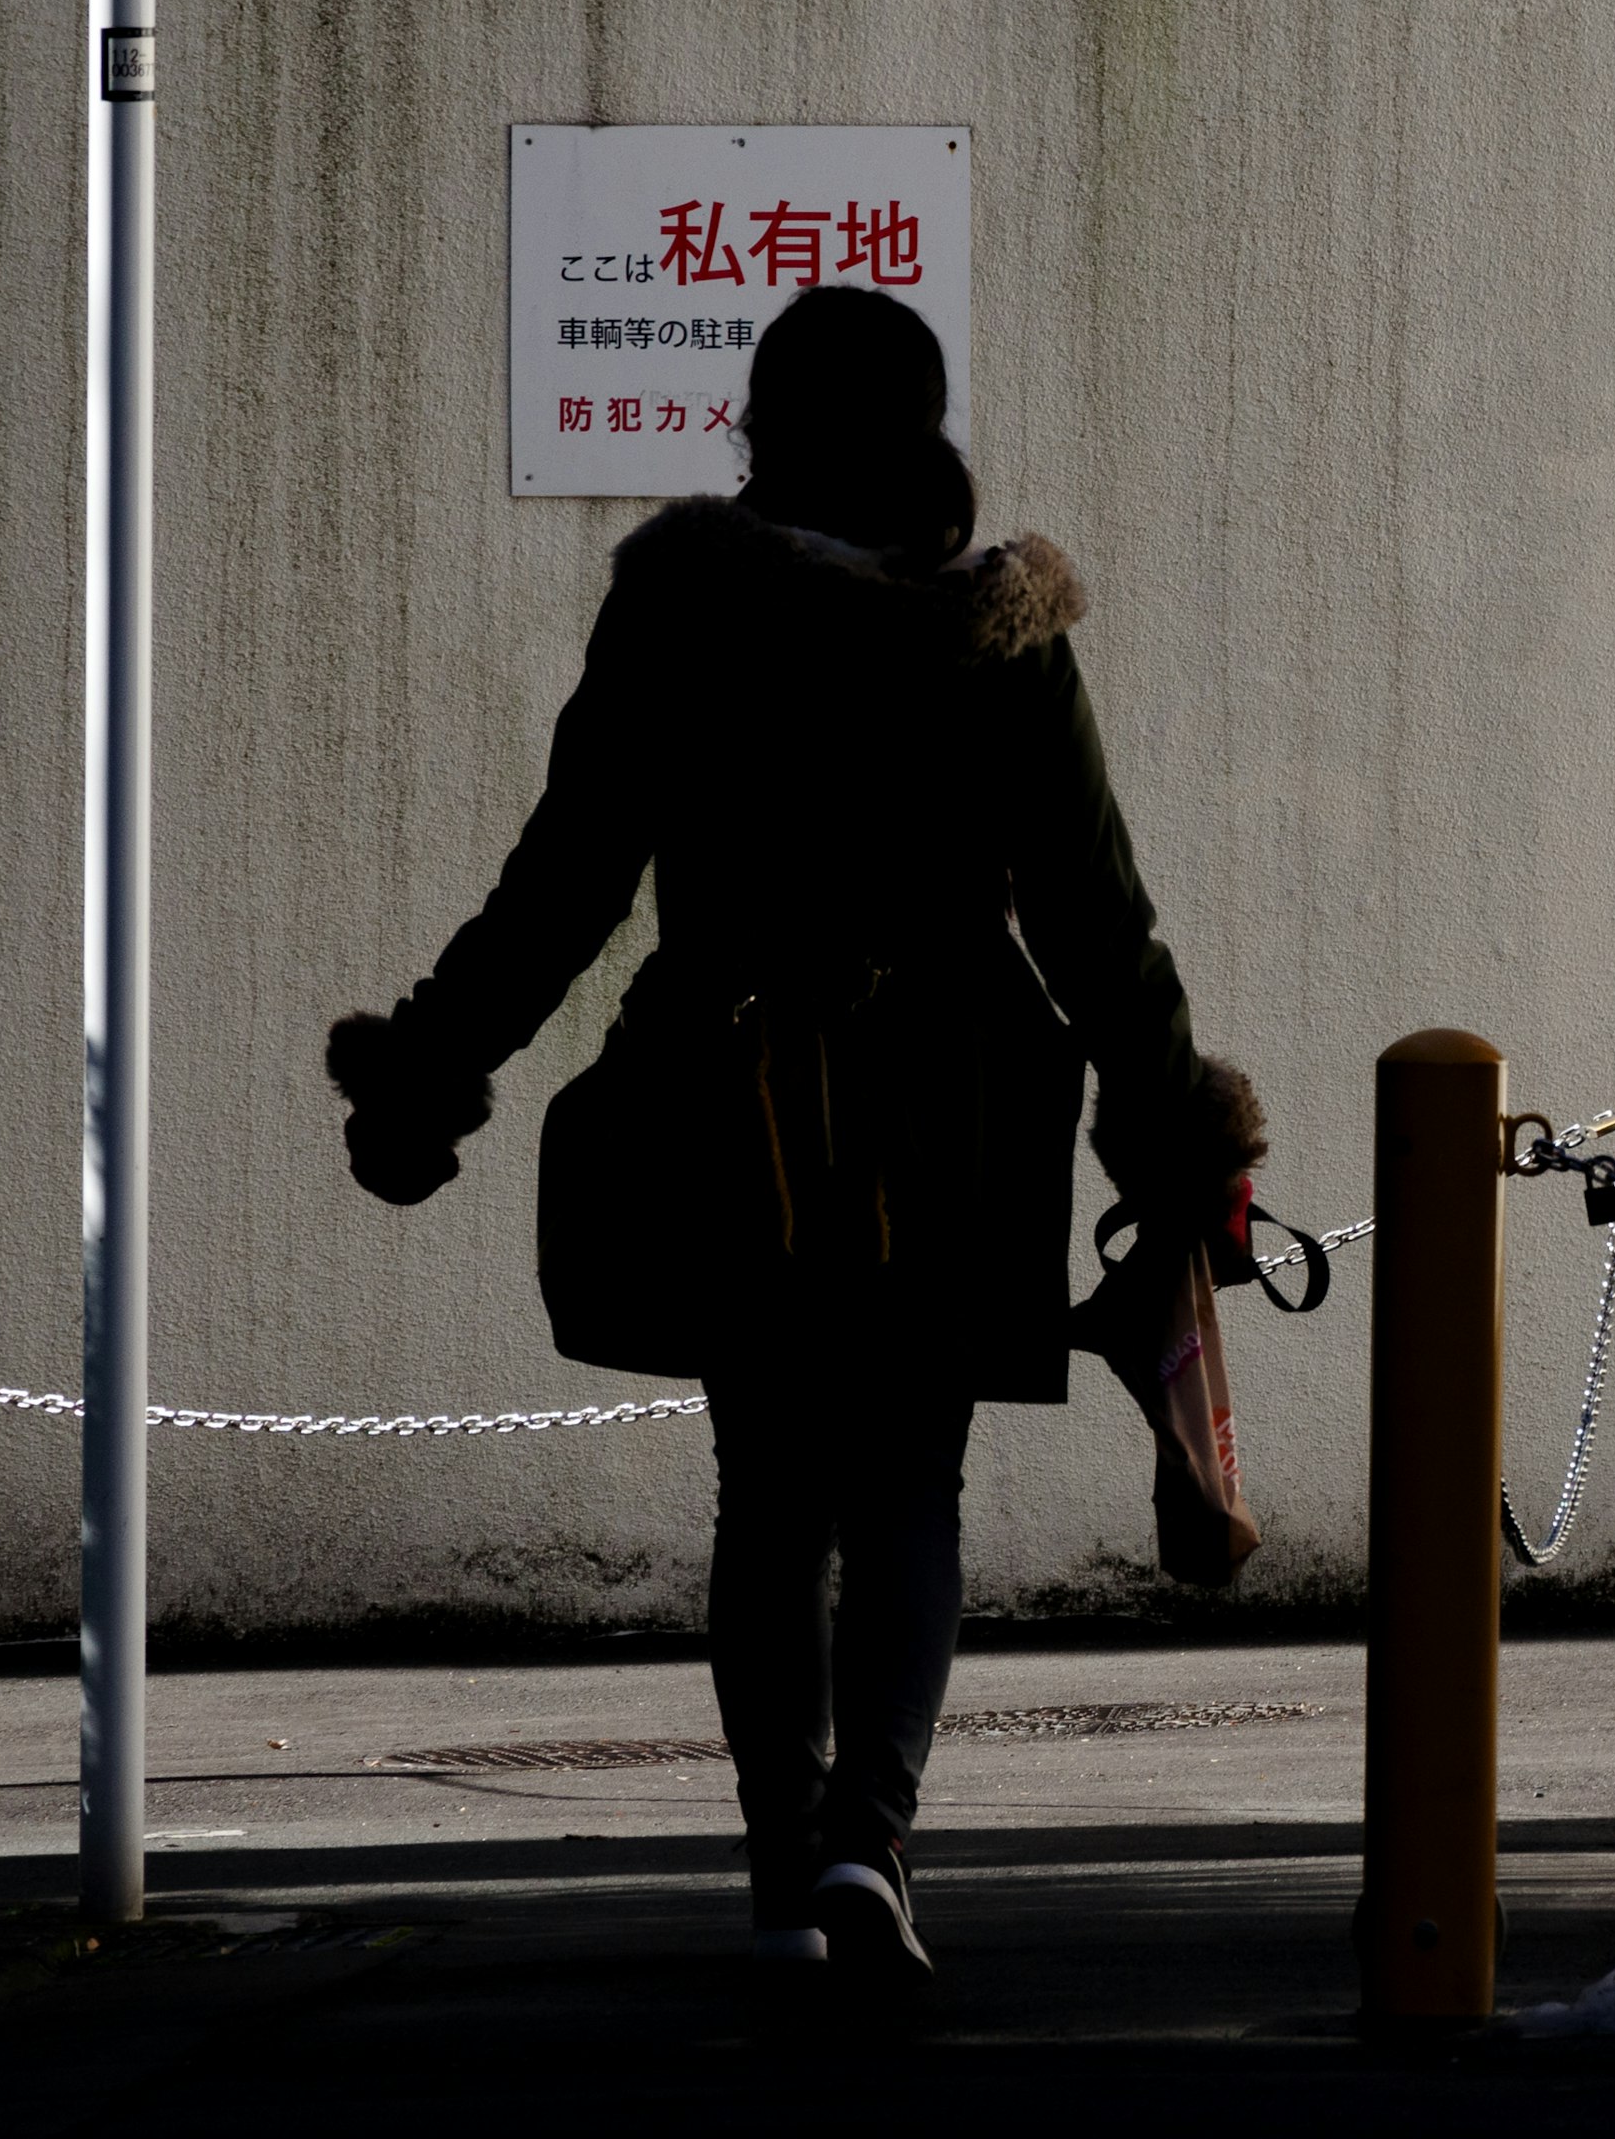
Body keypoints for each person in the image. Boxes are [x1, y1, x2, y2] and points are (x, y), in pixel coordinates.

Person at [323, 285, 1256, 1984]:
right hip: (955, 1104)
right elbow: (1098, 918)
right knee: (908, 1474)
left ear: (759, 425)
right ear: (928, 432)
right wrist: (1176, 1122)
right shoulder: (1007, 635)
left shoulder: (682, 615)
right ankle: (869, 1843)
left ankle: (782, 1853)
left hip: (729, 1095)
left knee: (769, 1489)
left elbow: (566, 880)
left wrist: (431, 1068)